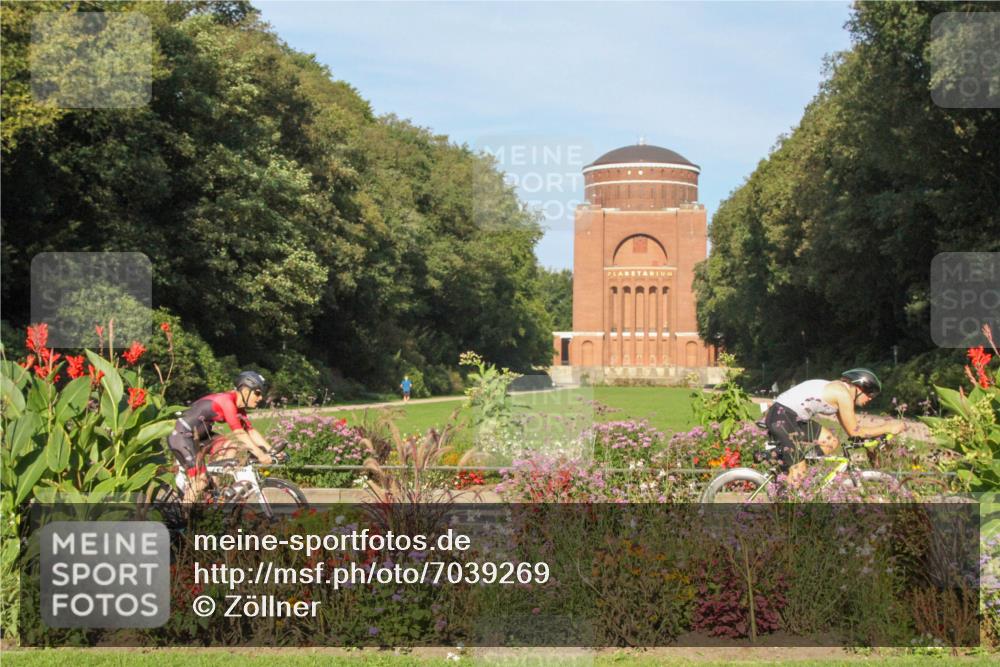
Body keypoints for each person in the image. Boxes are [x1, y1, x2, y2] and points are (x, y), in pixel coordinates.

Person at [763, 368, 904, 486]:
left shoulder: (841, 390)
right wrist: (888, 427)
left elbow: (853, 433)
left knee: (830, 442)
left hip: (793, 418)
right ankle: (786, 510)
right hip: (783, 416)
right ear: (859, 387)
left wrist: (872, 444)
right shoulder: (842, 394)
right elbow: (857, 432)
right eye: (870, 393)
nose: (871, 398)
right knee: (799, 471)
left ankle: (786, 462)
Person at [168, 370, 275, 502]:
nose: (260, 398)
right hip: (181, 437)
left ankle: (213, 490)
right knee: (200, 481)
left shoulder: (239, 407)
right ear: (246, 391)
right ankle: (186, 519)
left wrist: (272, 451)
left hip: (200, 436)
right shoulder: (227, 401)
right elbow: (239, 433)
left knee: (231, 446)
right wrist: (260, 454)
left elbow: (250, 431)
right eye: (257, 393)